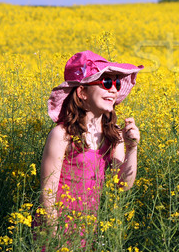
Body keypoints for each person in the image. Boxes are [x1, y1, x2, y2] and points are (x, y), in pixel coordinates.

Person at [38, 50, 143, 245]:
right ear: (82, 92)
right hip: (55, 233)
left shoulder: (114, 135)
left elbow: (123, 185)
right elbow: (47, 194)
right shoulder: (61, 136)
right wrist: (56, 239)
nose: (113, 89)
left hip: (88, 232)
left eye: (117, 83)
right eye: (106, 83)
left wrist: (132, 148)